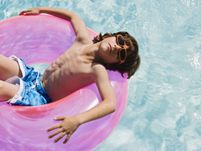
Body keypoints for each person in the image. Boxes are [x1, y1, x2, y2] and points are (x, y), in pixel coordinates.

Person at [0, 7, 140, 144]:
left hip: (40, 99)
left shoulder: (97, 69)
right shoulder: (82, 40)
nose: (117, 48)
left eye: (121, 54)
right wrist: (41, 10)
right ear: (112, 36)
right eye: (120, 41)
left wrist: (76, 120)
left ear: (116, 63)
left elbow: (110, 104)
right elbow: (73, 16)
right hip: (35, 77)